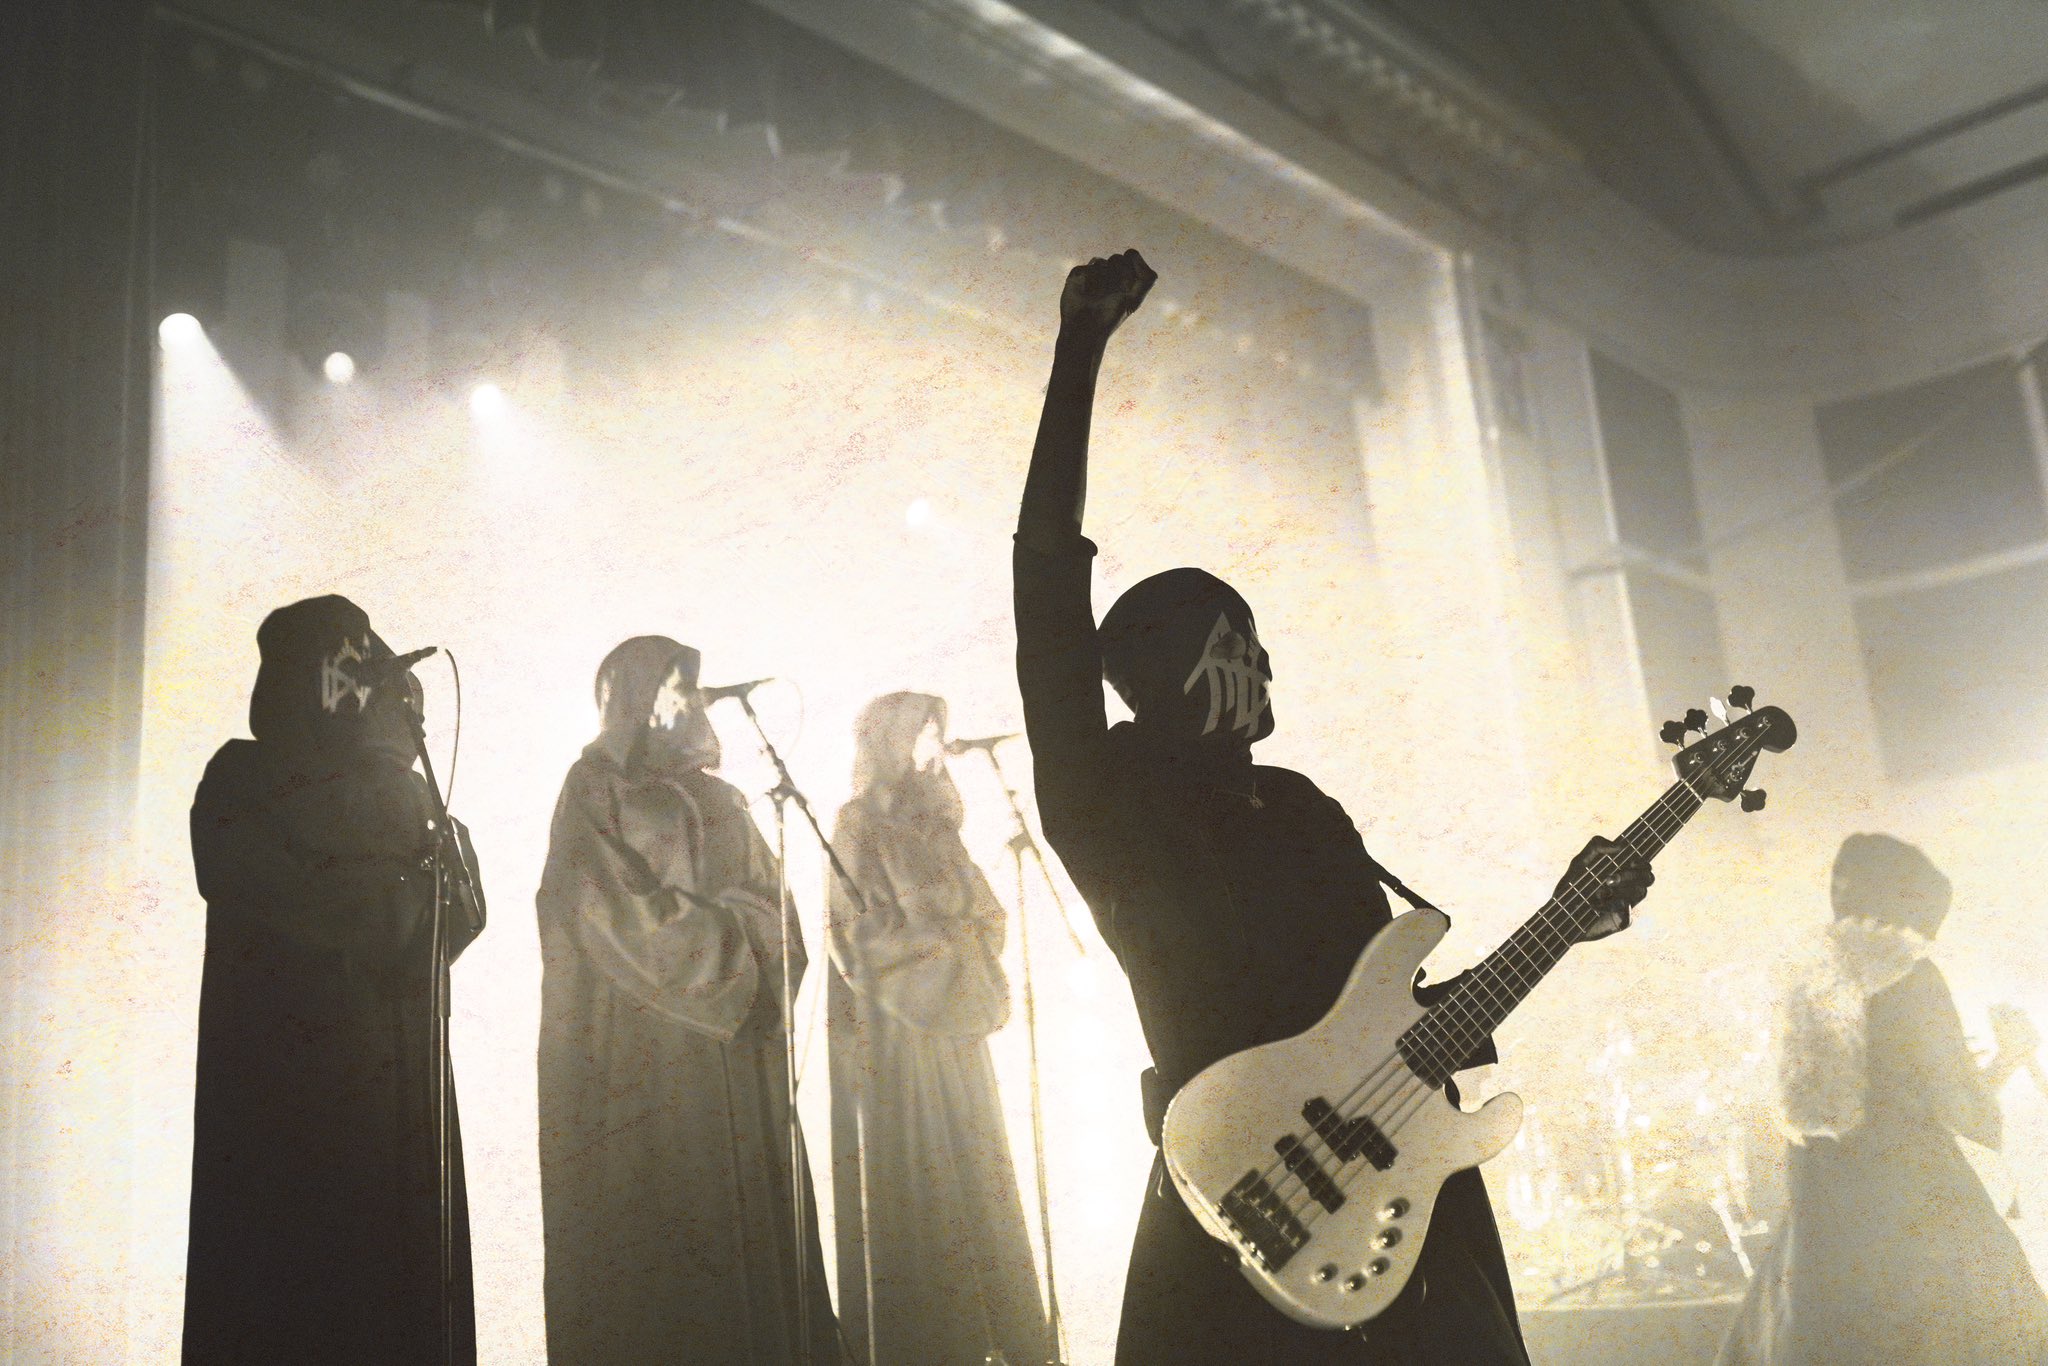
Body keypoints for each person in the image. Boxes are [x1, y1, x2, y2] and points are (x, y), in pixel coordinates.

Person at [1012, 249, 1652, 1364]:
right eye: (1241, 643)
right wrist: (1079, 352)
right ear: (1169, 667)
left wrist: (1564, 922)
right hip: (1239, 1207)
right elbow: (1046, 595)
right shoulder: (1105, 796)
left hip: (1399, 1199)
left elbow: (1385, 1019)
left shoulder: (1304, 807)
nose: (1265, 668)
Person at [183, 594, 485, 1364]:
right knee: (298, 1286)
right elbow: (283, 891)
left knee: (398, 1283)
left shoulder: (402, 790)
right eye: (342, 666)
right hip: (289, 1086)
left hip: (398, 1084)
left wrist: (397, 781)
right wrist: (390, 875)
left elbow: (459, 916)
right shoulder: (243, 775)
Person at [535, 635, 841, 1364]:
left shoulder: (723, 797)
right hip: (646, 1059)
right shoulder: (594, 790)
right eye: (670, 684)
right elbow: (598, 908)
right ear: (633, 699)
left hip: (737, 1058)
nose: (687, 698)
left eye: (689, 686)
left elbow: (779, 915)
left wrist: (744, 944)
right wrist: (727, 946)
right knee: (669, 1241)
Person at [1715, 833, 2048, 1364]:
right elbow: (1966, 1113)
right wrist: (2011, 1054)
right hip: (1912, 1209)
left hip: (1821, 1204)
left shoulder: (1809, 977)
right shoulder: (1911, 974)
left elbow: (1825, 1103)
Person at [826, 692, 1049, 1366]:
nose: (935, 743)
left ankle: (1002, 1337)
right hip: (901, 1035)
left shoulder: (939, 826)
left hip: (956, 1027)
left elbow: (987, 911)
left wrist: (964, 947)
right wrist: (943, 953)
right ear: (892, 740)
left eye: (937, 731)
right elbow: (854, 935)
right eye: (924, 731)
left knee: (978, 1169)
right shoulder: (857, 824)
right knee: (924, 1178)